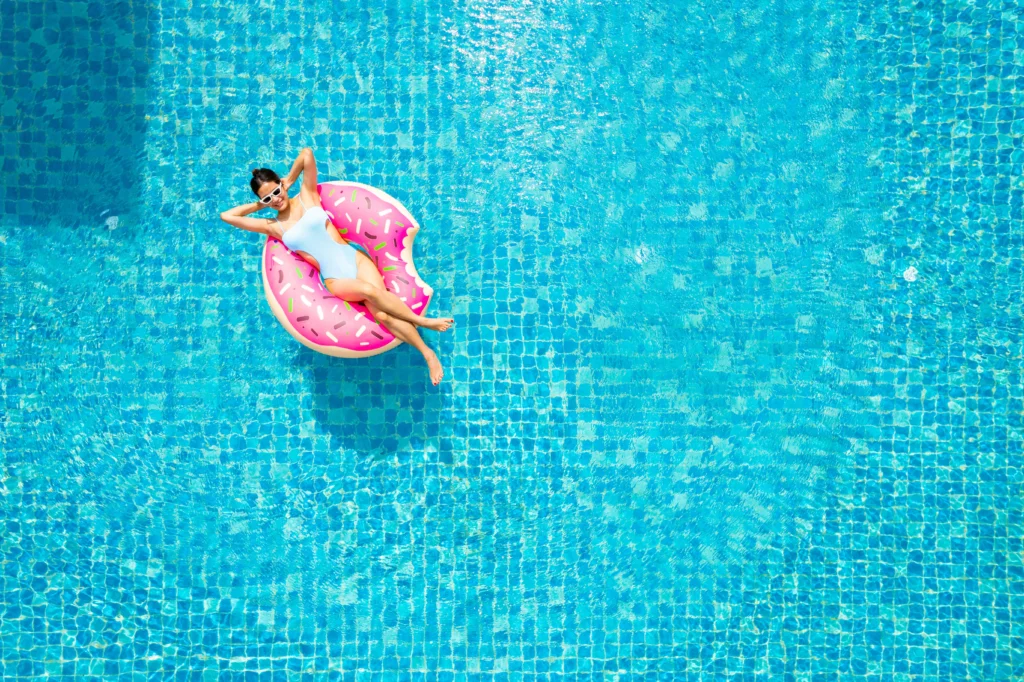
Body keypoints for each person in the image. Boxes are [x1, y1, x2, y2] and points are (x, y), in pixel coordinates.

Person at [220, 148, 453, 384]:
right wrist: (259, 206)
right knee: (370, 292)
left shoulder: (307, 196)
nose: (276, 199)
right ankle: (424, 323)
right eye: (268, 198)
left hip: (356, 261)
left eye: (276, 191)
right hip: (335, 280)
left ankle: (427, 353)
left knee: (383, 315)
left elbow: (307, 154)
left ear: (281, 184)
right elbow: (227, 216)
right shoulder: (273, 226)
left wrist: (289, 180)